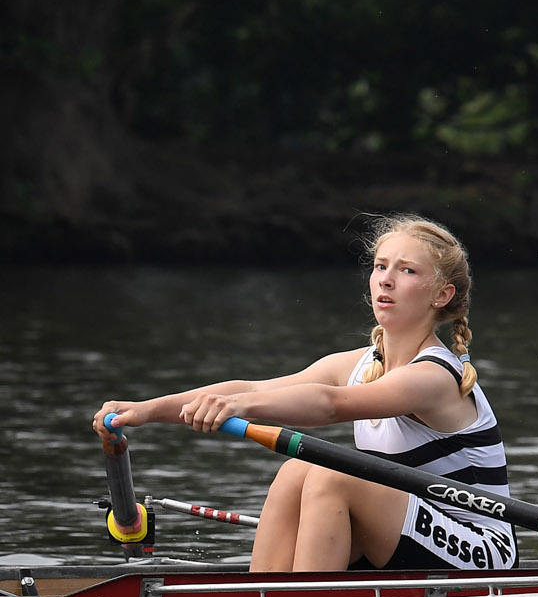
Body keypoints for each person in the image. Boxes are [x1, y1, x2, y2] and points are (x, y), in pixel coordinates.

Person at [90, 216, 515, 574]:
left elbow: (331, 405)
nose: (385, 279)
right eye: (380, 265)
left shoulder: (435, 375)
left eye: (407, 271)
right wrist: (147, 410)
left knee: (332, 474)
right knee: (298, 471)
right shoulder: (360, 364)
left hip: (480, 552)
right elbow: (254, 388)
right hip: (408, 531)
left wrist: (240, 409)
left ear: (442, 295)